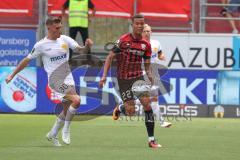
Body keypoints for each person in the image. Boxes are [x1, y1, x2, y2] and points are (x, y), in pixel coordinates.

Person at [5, 16, 93, 147]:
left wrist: (86, 46)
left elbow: (80, 50)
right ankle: (66, 129)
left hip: (68, 77)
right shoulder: (41, 45)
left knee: (66, 109)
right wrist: (12, 74)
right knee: (77, 100)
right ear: (49, 28)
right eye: (57, 28)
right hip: (55, 80)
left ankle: (52, 133)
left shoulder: (65, 39)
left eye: (61, 27)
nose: (59, 30)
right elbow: (26, 60)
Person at [99, 14, 162, 148]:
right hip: (123, 79)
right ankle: (121, 108)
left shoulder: (146, 45)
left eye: (142, 24)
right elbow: (110, 57)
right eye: (137, 23)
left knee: (147, 105)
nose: (140, 26)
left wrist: (150, 78)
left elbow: (147, 65)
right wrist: (104, 76)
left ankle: (151, 140)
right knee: (131, 111)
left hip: (138, 77)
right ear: (132, 25)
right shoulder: (123, 40)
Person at [141, 24, 172, 128]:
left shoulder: (156, 43)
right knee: (150, 98)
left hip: (154, 72)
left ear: (151, 32)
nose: (147, 33)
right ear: (141, 32)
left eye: (148, 31)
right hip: (143, 72)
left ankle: (123, 105)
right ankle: (162, 121)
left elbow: (159, 53)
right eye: (145, 31)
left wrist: (161, 56)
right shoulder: (139, 44)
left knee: (152, 98)